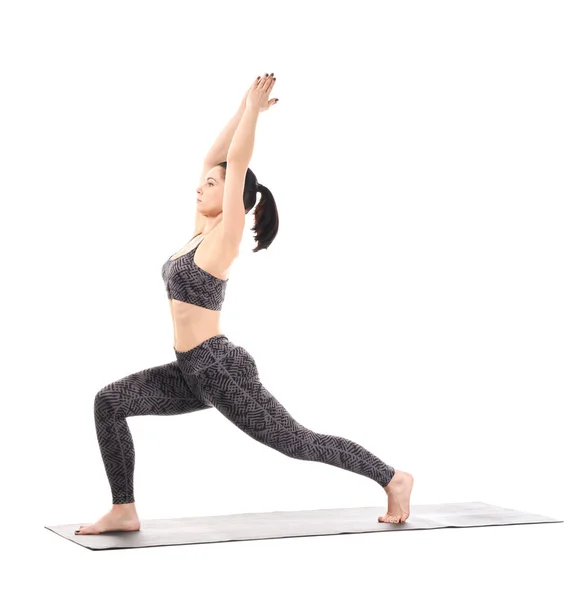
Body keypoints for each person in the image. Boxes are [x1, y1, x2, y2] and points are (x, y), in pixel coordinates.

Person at [75, 73, 413, 535]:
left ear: (233, 197)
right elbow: (215, 158)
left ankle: (393, 477)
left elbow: (233, 162)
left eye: (213, 185)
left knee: (294, 441)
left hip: (220, 370)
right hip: (191, 370)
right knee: (109, 403)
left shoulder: (224, 238)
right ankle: (124, 509)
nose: (201, 186)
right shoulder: (199, 231)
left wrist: (254, 115)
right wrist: (240, 106)